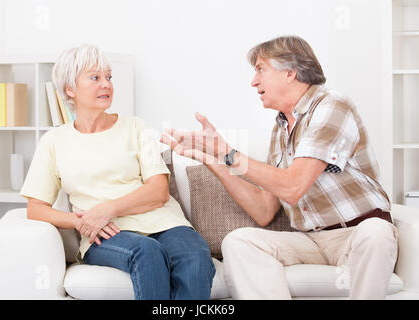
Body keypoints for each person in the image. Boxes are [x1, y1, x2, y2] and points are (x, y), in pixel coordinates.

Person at [160, 35, 397, 300]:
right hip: (311, 240)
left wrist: (229, 152)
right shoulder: (281, 128)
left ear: (290, 73)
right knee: (239, 241)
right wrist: (214, 160)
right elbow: (263, 211)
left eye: (261, 69)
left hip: (358, 232)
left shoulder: (332, 105)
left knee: (377, 233)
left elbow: (293, 186)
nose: (253, 81)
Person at [20, 44, 215, 300]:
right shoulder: (54, 141)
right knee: (147, 251)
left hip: (165, 223)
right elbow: (36, 208)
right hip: (108, 234)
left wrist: (109, 208)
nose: (106, 84)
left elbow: (158, 192)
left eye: (108, 77)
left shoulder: (136, 128)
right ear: (70, 89)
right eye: (95, 77)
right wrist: (79, 222)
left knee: (196, 257)